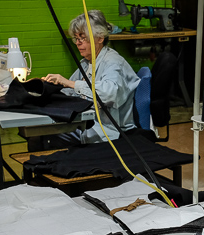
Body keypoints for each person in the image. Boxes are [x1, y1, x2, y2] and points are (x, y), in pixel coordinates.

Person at [42, 10, 140, 146]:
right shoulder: (87, 62)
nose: (78, 43)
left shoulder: (112, 62)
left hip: (106, 130)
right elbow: (70, 93)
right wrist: (45, 90)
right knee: (40, 133)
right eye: (76, 38)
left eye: (83, 38)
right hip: (89, 123)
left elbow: (108, 94)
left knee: (43, 138)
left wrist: (71, 83)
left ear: (100, 38)